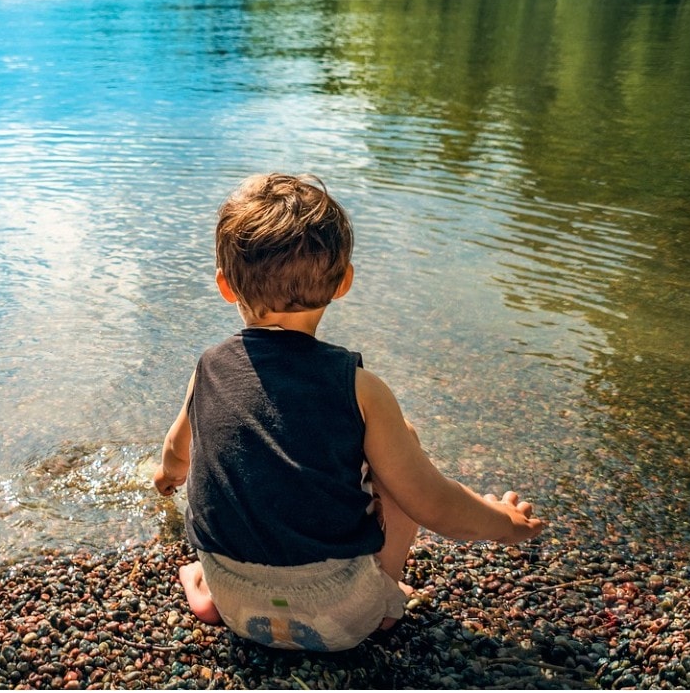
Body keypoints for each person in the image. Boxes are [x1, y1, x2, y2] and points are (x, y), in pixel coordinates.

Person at [153, 173, 545, 652]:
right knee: (399, 440)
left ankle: (206, 590)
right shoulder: (360, 389)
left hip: (237, 606)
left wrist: (166, 478)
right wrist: (505, 523)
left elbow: (177, 453)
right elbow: (434, 504)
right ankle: (386, 597)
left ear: (225, 287)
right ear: (344, 282)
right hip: (342, 617)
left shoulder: (207, 370)